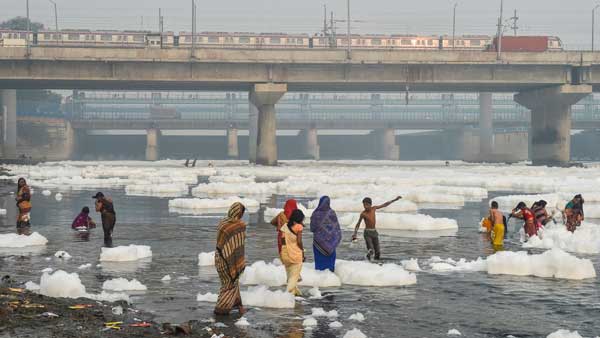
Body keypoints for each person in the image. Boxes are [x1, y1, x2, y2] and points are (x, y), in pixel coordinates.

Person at [214, 202, 247, 315]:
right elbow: (238, 247)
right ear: (239, 213)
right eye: (242, 213)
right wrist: (238, 264)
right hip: (229, 261)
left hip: (219, 257)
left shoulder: (222, 223)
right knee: (229, 285)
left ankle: (239, 305)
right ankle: (221, 309)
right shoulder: (240, 225)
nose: (242, 215)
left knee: (231, 282)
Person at [352, 196, 402, 261]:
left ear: (370, 204)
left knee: (378, 252)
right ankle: (367, 262)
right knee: (371, 250)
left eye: (367, 205)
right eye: (364, 205)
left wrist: (395, 199)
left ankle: (376, 264)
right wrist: (355, 233)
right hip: (367, 233)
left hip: (374, 232)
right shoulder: (363, 214)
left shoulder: (374, 208)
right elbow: (358, 224)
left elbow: (385, 204)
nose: (365, 206)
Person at [310, 196, 342, 272]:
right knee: (330, 260)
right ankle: (330, 274)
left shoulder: (316, 213)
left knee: (319, 259)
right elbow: (336, 228)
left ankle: (320, 274)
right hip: (331, 241)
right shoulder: (332, 213)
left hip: (319, 242)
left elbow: (312, 228)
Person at [280, 209, 305, 296]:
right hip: (296, 255)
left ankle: (296, 295)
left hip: (285, 254)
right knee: (293, 277)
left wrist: (282, 253)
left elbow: (282, 241)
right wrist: (302, 252)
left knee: (290, 276)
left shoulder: (285, 226)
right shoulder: (299, 227)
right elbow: (299, 242)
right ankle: (287, 296)